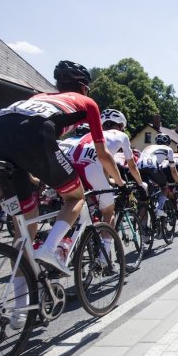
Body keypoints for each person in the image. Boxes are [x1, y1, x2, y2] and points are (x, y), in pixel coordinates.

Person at [0, 60, 125, 278]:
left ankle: (21, 306)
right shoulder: (87, 102)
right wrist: (120, 183)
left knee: (25, 227)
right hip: (35, 136)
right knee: (75, 197)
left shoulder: (37, 96)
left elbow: (16, 132)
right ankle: (49, 249)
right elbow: (102, 155)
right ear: (84, 87)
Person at [61, 108, 146, 260]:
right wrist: (140, 184)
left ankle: (64, 242)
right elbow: (132, 166)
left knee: (75, 206)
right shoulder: (121, 135)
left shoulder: (89, 134)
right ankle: (105, 256)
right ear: (120, 125)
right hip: (91, 170)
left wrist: (111, 180)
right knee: (108, 211)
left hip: (71, 169)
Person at [137, 134, 178, 218]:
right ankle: (160, 209)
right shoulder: (168, 149)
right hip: (152, 167)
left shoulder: (148, 147)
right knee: (164, 187)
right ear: (168, 143)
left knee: (144, 201)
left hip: (139, 168)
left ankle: (142, 228)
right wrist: (177, 181)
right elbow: (173, 169)